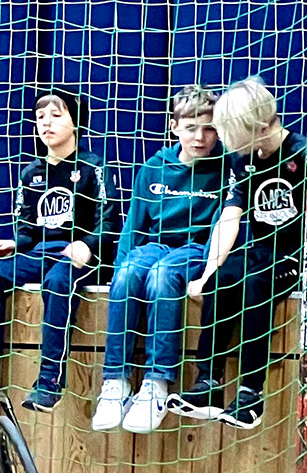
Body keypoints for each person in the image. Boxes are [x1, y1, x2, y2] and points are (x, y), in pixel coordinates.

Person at [172, 77, 305, 430]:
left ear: (258, 127)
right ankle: (208, 383)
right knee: (223, 278)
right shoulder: (242, 161)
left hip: (296, 255)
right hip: (260, 249)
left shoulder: (304, 154)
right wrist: (206, 272)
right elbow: (230, 218)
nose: (227, 141)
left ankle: (250, 392)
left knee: (254, 285)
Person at [91, 85, 225, 434]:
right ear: (173, 126)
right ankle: (115, 381)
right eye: (191, 126)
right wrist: (118, 270)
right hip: (157, 245)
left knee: (163, 275)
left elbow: (221, 227)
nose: (200, 136)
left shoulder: (225, 168)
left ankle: (157, 382)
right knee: (130, 272)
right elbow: (134, 225)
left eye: (209, 127)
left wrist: (209, 272)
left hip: (195, 249)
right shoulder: (155, 168)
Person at [0, 88, 118, 412]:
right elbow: (27, 231)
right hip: (43, 252)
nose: (46, 123)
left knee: (57, 282)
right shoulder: (31, 173)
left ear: (75, 121)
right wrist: (13, 243)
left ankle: (50, 380)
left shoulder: (93, 167)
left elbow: (109, 223)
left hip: (81, 255)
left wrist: (87, 244)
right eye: (40, 117)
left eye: (56, 115)